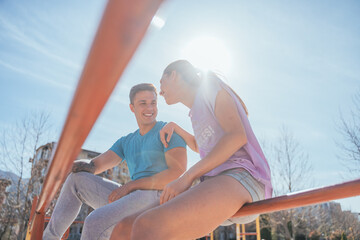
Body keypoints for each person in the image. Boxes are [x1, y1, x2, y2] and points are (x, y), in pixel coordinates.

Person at [112, 60, 272, 240]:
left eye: (161, 83)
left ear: (173, 75)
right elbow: (201, 146)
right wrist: (177, 128)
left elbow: (236, 136)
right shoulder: (195, 111)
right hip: (216, 184)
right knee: (124, 227)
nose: (161, 91)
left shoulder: (210, 87)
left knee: (147, 225)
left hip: (243, 178)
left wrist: (186, 178)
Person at [43, 83, 187, 240]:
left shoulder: (167, 131)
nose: (150, 108)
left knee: (95, 221)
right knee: (76, 179)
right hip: (134, 196)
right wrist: (69, 166)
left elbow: (176, 173)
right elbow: (94, 166)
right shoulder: (127, 141)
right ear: (132, 108)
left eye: (153, 103)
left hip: (158, 198)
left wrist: (130, 186)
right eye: (143, 103)